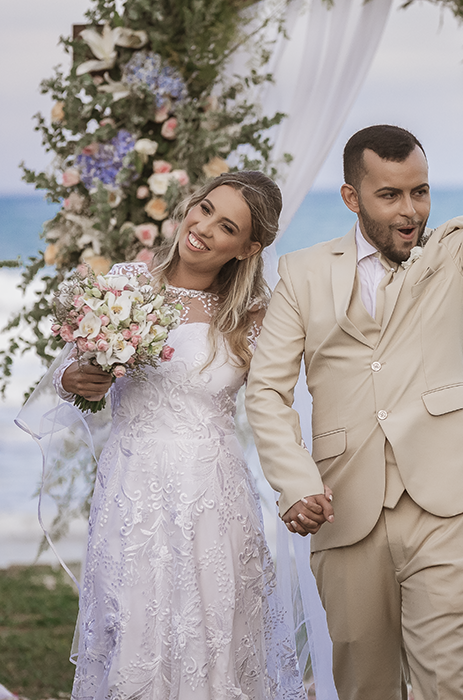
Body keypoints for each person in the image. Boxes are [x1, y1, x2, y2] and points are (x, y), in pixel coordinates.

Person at [245, 59, 463, 700]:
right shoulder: (302, 273)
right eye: (391, 194)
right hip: (344, 509)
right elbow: (265, 390)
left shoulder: (458, 254)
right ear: (353, 198)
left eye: (420, 191)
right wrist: (294, 482)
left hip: (450, 505)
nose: (411, 210)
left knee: (449, 686)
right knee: (364, 689)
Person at [55, 172, 305, 700]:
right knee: (134, 627)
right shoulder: (127, 283)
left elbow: (278, 407)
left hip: (214, 498)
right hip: (132, 488)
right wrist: (76, 380)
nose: (204, 227)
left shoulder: (253, 316)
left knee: (214, 633)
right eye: (205, 208)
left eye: (227, 225)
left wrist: (299, 483)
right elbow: (72, 374)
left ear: (248, 247)